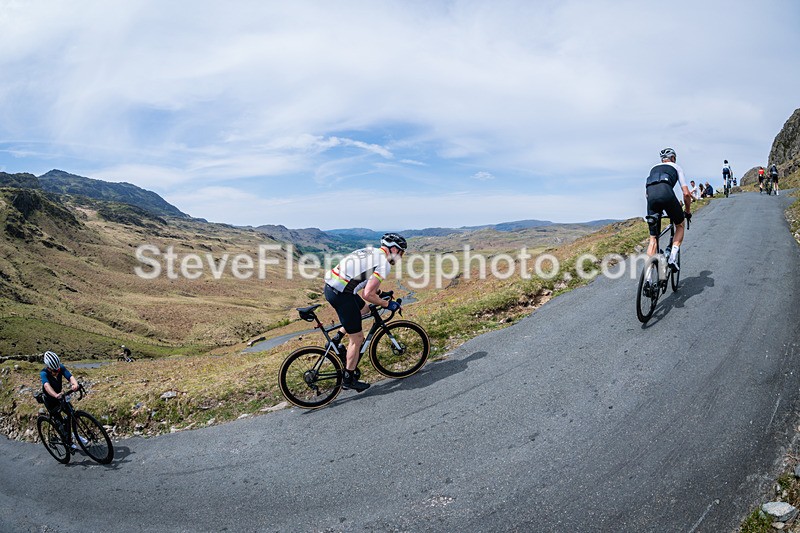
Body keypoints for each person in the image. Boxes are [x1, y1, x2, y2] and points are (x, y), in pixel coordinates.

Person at [323, 233, 407, 392]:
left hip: (333, 288)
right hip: (343, 294)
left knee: (364, 310)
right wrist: (388, 304)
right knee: (358, 338)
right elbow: (367, 294)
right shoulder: (384, 264)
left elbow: (363, 280)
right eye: (401, 253)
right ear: (394, 249)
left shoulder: (370, 251)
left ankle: (336, 339)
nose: (400, 257)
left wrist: (381, 294)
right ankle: (348, 378)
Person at [645, 148, 692, 273]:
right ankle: (672, 258)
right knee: (680, 225)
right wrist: (687, 211)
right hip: (666, 194)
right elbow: (686, 194)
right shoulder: (676, 167)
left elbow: (648, 193)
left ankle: (648, 277)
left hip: (651, 197)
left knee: (653, 238)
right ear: (673, 158)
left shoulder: (653, 168)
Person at [40, 351, 80, 446]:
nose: (57, 372)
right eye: (55, 371)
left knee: (72, 413)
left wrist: (75, 384)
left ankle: (74, 434)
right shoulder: (44, 373)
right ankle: (66, 440)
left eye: (58, 370)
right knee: (59, 422)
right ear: (49, 368)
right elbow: (46, 386)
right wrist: (55, 395)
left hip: (60, 397)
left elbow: (69, 376)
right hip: (50, 400)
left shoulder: (60, 368)